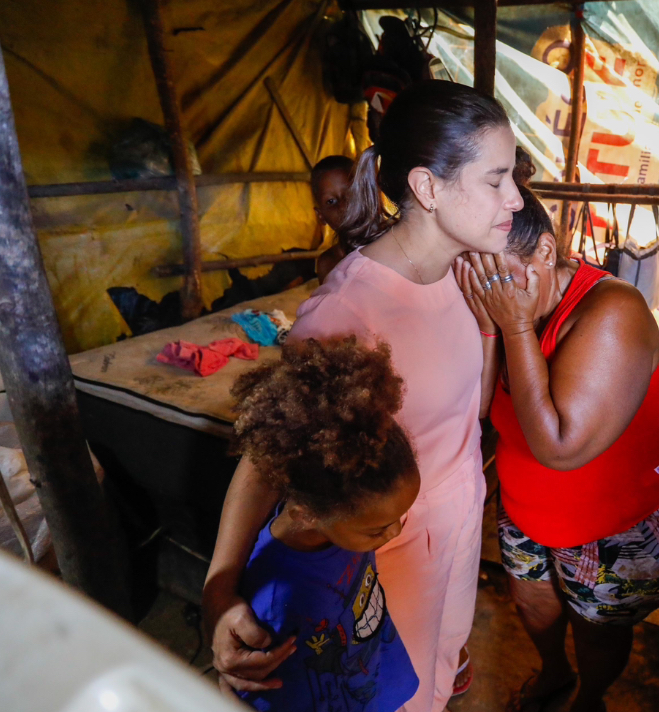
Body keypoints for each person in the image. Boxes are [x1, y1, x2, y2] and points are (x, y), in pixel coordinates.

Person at [202, 79, 524, 712]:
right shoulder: (350, 311)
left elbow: (464, 413)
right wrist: (220, 588)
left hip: (456, 530)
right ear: (428, 188)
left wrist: (496, 323)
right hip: (384, 555)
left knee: (434, 682)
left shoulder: (460, 273)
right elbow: (269, 461)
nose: (514, 197)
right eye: (495, 179)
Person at [453, 185, 659, 712]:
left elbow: (560, 447)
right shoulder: (503, 310)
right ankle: (554, 671)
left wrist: (515, 324)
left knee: (597, 627)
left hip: (615, 524)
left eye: (498, 278)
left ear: (545, 252)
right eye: (476, 279)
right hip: (526, 510)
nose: (490, 292)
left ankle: (590, 697)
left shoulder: (612, 311)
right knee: (534, 604)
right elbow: (479, 406)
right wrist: (490, 325)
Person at [229, 336, 420, 712]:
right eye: (377, 529)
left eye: (396, 519)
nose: (395, 532)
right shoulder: (279, 601)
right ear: (305, 514)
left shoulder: (341, 530)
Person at [311, 155, 354, 282]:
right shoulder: (328, 263)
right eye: (331, 201)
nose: (343, 206)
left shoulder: (393, 244)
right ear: (321, 216)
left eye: (351, 194)